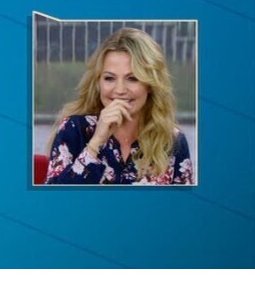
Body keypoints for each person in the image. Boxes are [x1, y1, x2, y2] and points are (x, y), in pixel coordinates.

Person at [44, 27, 193, 185]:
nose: (120, 90)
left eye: (133, 78)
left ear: (150, 85)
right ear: (98, 82)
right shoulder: (73, 129)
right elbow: (53, 198)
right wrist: (95, 143)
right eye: (109, 78)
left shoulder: (173, 141)